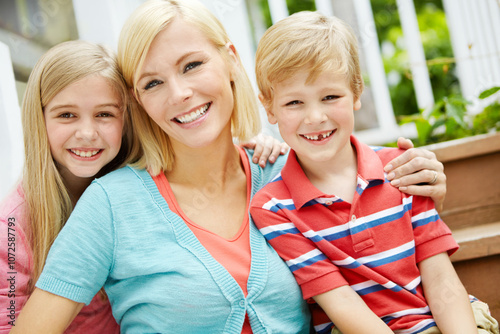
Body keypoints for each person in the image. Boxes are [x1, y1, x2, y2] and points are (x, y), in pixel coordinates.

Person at [11, 1, 448, 333]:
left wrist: (419, 181)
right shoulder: (111, 204)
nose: (180, 93)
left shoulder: (283, 175)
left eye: (193, 65)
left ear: (231, 61)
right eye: (153, 82)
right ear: (138, 99)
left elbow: (387, 256)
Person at [250, 11, 499, 334]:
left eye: (330, 97)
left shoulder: (401, 168)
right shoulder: (273, 207)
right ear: (269, 107)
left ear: (356, 92)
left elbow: (440, 278)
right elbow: (341, 303)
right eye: (294, 102)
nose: (315, 116)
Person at [0, 40, 130, 333]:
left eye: (104, 114)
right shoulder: (11, 226)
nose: (86, 133)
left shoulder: (139, 184)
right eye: (66, 115)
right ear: (39, 119)